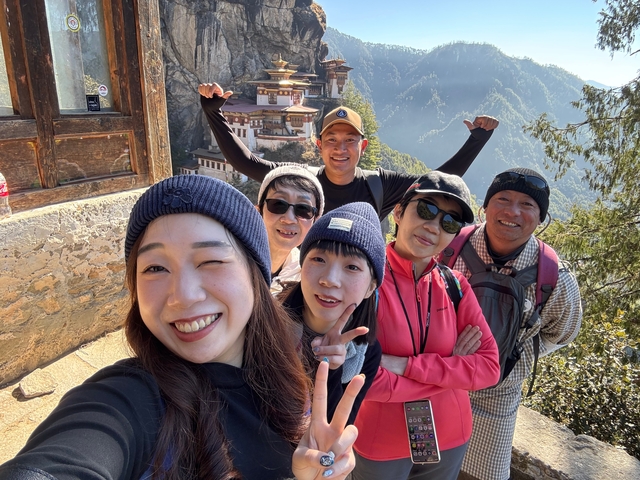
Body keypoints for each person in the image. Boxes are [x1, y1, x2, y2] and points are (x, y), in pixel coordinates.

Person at [0, 175, 364, 480]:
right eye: (155, 268)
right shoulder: (129, 400)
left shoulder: (285, 372)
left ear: (255, 276)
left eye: (210, 260)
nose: (183, 296)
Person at [351, 172, 501, 480]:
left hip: (450, 437)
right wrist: (451, 370)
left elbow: (489, 367)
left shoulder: (454, 285)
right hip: (380, 442)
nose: (433, 227)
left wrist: (404, 365)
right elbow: (362, 378)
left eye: (449, 222)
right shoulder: (364, 283)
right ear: (398, 211)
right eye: (426, 209)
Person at [447, 168, 583, 480]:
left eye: (527, 205)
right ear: (485, 206)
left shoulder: (555, 279)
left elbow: (562, 332)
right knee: (423, 464)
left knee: (483, 474)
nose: (512, 212)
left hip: (496, 396)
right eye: (503, 199)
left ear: (541, 218)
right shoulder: (450, 247)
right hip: (435, 380)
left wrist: (516, 355)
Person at [198, 82, 499, 220]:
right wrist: (213, 112)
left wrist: (477, 140)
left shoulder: (379, 184)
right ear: (319, 146)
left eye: (349, 140)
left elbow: (438, 181)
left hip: (362, 296)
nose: (340, 149)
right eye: (331, 140)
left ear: (362, 146)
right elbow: (246, 163)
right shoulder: (303, 179)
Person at [281, 202, 386, 425]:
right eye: (318, 259)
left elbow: (335, 429)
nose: (329, 279)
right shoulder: (267, 323)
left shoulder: (363, 353)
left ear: (370, 287)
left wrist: (332, 369)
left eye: (352, 267)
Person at [256, 164, 325, 294]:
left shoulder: (303, 277)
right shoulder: (231, 260)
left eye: (303, 209)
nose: (289, 218)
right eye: (278, 205)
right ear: (258, 211)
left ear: (315, 221)